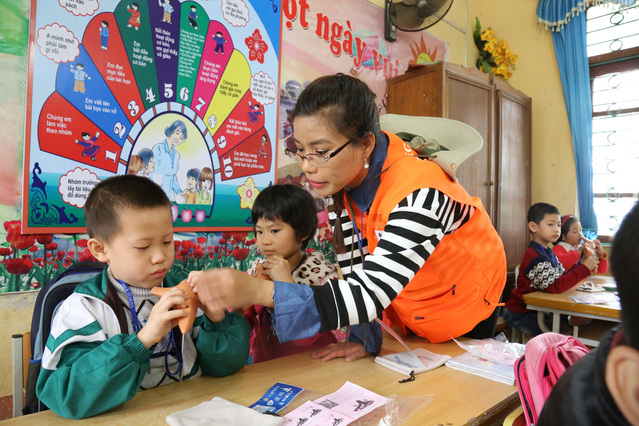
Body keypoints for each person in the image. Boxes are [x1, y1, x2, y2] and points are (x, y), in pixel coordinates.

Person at [188, 73, 507, 361]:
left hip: (466, 311)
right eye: (300, 149)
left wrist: (257, 291)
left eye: (321, 151)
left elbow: (370, 291)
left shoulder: (420, 193)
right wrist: (364, 337)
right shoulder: (346, 176)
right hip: (415, 313)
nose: (307, 165)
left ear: (366, 143)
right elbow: (357, 262)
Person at [36, 175, 250, 419]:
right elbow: (67, 394)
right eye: (142, 247)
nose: (160, 256)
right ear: (100, 249)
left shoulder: (185, 290)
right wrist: (143, 340)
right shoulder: (84, 308)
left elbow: (226, 367)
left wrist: (217, 320)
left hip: (193, 411)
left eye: (168, 241)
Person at [538, 201, 639, 425]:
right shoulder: (560, 251)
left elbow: (598, 270)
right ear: (563, 236)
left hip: (579, 292)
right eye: (575, 231)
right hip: (561, 299)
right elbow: (567, 267)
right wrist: (584, 256)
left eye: (581, 230)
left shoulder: (575, 251)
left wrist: (600, 255)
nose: (580, 234)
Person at [243, 184, 353, 363]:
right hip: (266, 371)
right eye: (259, 232)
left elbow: (304, 338)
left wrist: (286, 284)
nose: (265, 241)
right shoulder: (256, 272)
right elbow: (243, 328)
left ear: (303, 233)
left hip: (314, 369)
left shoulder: (322, 278)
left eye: (274, 231)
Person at [502, 203, 598, 336]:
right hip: (521, 313)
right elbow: (555, 286)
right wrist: (583, 268)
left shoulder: (548, 252)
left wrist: (580, 264)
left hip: (540, 310)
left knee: (579, 327)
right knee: (563, 335)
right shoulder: (535, 255)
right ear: (533, 226)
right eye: (551, 225)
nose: (556, 230)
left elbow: (561, 276)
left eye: (558, 225)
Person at [152, 119, 187, 202]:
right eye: (177, 133)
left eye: (181, 137)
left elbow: (173, 177)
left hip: (170, 196)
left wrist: (179, 191)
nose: (178, 138)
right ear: (171, 131)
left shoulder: (177, 155)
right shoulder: (158, 149)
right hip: (156, 194)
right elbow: (151, 173)